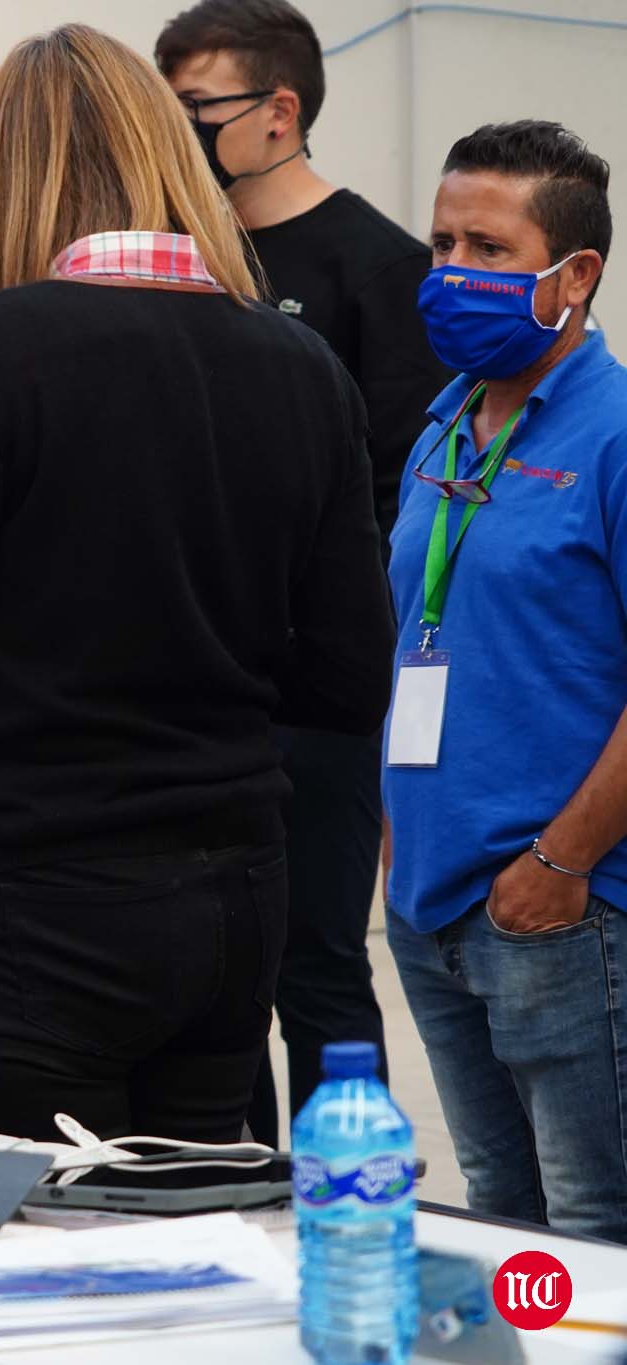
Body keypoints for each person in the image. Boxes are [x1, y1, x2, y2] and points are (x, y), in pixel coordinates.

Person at [0, 24, 393, 1146]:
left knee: (29, 1275)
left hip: (34, 895)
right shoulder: (300, 364)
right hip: (231, 896)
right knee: (193, 1254)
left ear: (7, 181)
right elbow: (351, 681)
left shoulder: (6, 344)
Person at [156, 0, 450, 1148]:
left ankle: (341, 1201)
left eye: (197, 113)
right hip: (190, 687)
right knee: (208, 976)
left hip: (311, 702)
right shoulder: (182, 261)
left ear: (278, 113)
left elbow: (393, 500)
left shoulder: (378, 270)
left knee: (314, 967)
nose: (179, 137)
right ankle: (226, 1193)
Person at [383, 121, 627, 1245]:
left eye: (485, 247)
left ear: (571, 275)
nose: (449, 272)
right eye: (439, 242)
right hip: (432, 899)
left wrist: (556, 863)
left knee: (587, 1237)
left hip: (555, 910)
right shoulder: (441, 424)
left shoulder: (614, 434)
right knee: (496, 1229)